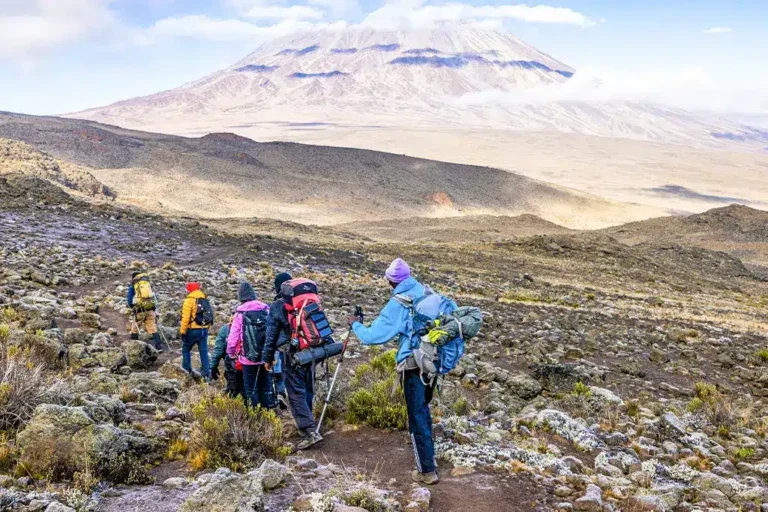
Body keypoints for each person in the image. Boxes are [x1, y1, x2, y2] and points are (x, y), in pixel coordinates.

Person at [347, 258, 440, 485]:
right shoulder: (426, 291)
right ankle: (429, 458)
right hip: (433, 361)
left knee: (416, 414)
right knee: (423, 410)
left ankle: (427, 471)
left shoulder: (399, 303)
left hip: (413, 365)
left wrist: (355, 325)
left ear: (391, 280)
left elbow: (373, 336)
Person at [263, 272, 322, 450]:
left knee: (295, 392)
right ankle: (309, 419)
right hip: (312, 351)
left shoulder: (278, 307)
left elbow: (271, 335)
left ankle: (309, 430)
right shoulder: (306, 302)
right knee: (308, 386)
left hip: (291, 354)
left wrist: (267, 358)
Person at [227, 282, 276, 410]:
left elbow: (233, 338)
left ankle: (255, 417)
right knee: (265, 387)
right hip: (266, 356)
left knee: (250, 389)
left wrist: (231, 354)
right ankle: (267, 415)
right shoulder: (266, 309)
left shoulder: (240, 314)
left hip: (247, 358)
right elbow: (273, 331)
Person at [180, 282, 212, 379]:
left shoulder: (189, 301)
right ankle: (206, 374)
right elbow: (209, 316)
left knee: (186, 349)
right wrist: (206, 327)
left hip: (193, 330)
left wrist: (182, 331)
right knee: (204, 351)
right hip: (204, 329)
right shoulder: (204, 299)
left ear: (189, 289)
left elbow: (185, 318)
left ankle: (187, 371)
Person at [127, 271, 163, 351]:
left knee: (135, 327)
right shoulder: (147, 285)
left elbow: (129, 300)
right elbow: (153, 297)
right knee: (153, 328)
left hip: (139, 310)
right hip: (150, 309)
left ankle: (134, 346)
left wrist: (132, 307)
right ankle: (159, 346)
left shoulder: (133, 286)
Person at [210, 323, 246, 403]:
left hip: (232, 367)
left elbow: (218, 350)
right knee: (247, 390)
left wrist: (213, 366)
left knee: (233, 391)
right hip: (249, 366)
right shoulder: (253, 325)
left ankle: (232, 410)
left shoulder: (225, 329)